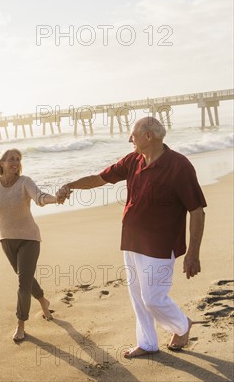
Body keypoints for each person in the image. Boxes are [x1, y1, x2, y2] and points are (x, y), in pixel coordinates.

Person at [57, 117, 206, 358]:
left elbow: (197, 211)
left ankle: (182, 325)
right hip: (132, 240)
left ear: (149, 137)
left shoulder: (179, 166)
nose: (129, 139)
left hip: (160, 245)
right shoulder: (133, 160)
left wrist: (193, 254)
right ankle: (147, 343)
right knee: (138, 297)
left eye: (133, 135)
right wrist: (70, 185)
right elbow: (100, 178)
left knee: (153, 299)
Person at [0, 148, 60, 342]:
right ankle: (44, 301)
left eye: (18, 159)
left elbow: (40, 197)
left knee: (22, 283)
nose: (15, 162)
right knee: (25, 278)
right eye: (11, 159)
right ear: (1, 162)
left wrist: (55, 199)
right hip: (6, 240)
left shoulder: (25, 182)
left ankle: (21, 325)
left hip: (29, 238)